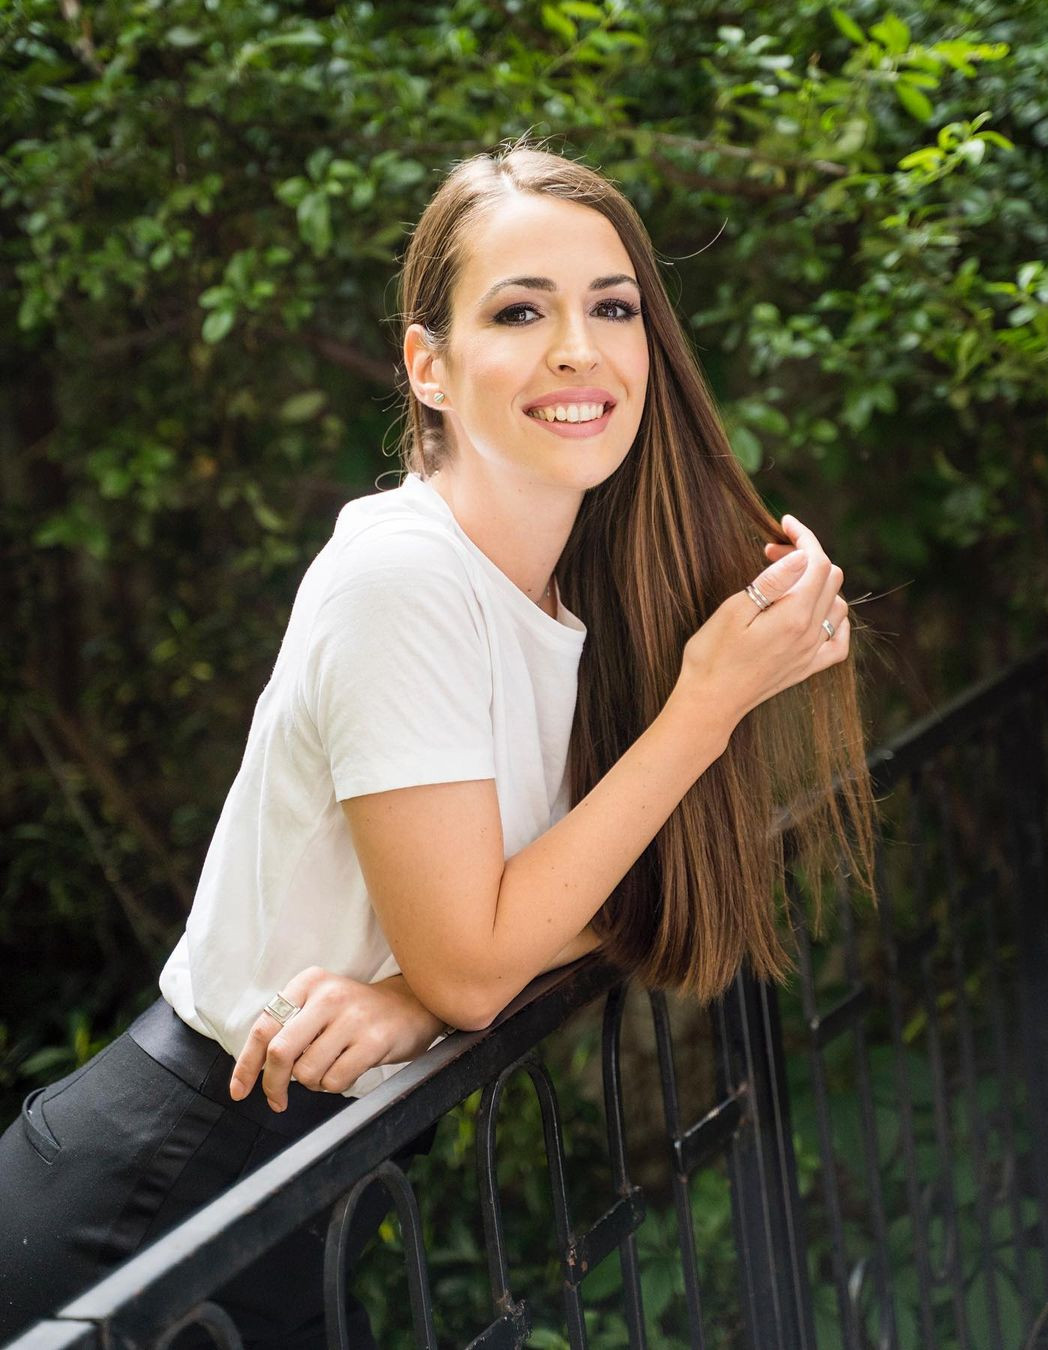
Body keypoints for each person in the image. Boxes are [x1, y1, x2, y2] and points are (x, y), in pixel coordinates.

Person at [0, 136, 874, 1345]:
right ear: (428, 366)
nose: (577, 347)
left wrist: (419, 997)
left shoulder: (571, 600)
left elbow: (567, 906)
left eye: (612, 307)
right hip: (152, 1207)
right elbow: (483, 959)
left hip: (297, 1185)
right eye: (519, 311)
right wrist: (706, 707)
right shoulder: (403, 577)